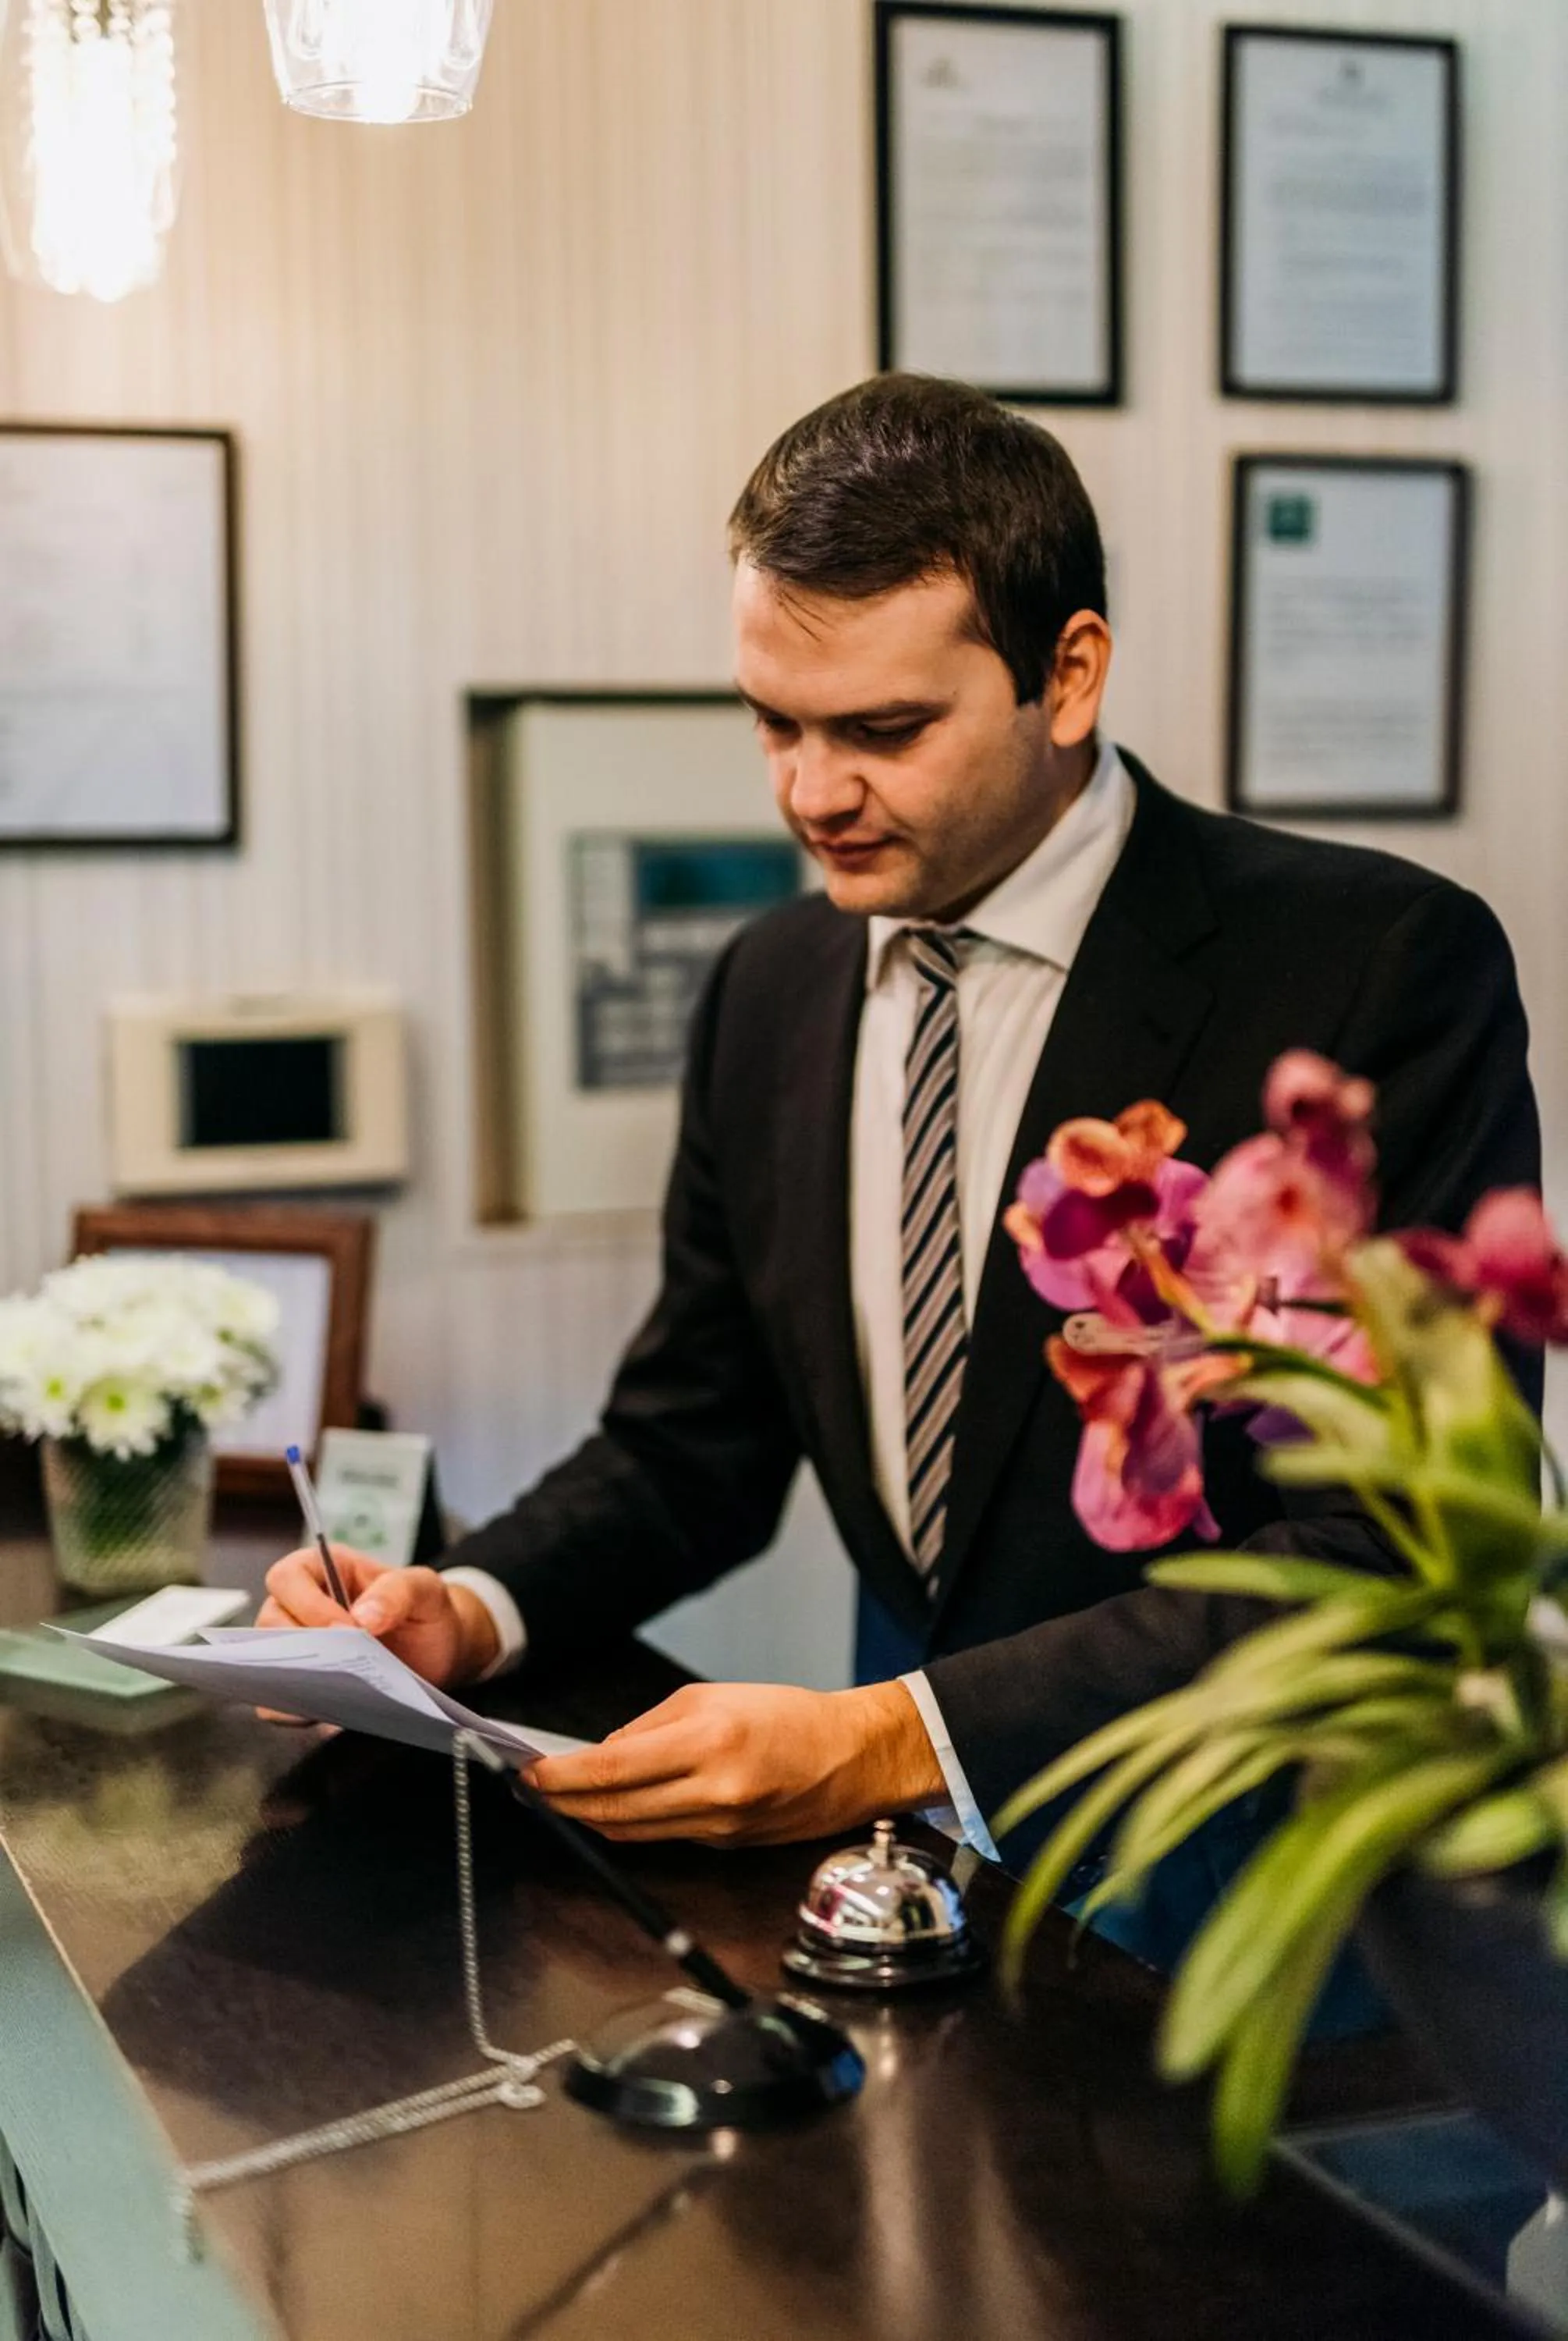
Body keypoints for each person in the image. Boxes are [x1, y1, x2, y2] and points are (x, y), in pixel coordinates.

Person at [261, 374, 1538, 1870]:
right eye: (772, 724)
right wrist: (470, 1607)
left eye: (883, 728)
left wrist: (892, 1739)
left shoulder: (1372, 966)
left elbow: (1397, 1536)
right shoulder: (769, 986)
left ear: (1068, 675)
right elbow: (692, 1441)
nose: (812, 795)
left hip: (1257, 1841)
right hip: (910, 1850)